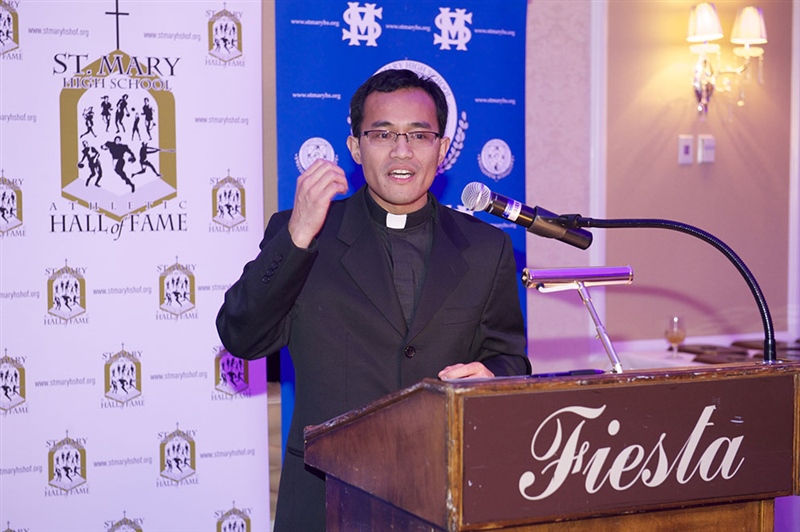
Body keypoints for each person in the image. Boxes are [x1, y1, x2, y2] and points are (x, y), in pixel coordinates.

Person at [216, 69, 530, 531]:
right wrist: (297, 235)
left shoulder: (486, 247)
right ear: (355, 147)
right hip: (328, 496)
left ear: (443, 149)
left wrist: (494, 376)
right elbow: (241, 336)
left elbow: (510, 359)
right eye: (383, 134)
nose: (402, 151)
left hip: (443, 495)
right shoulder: (305, 233)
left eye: (419, 135)